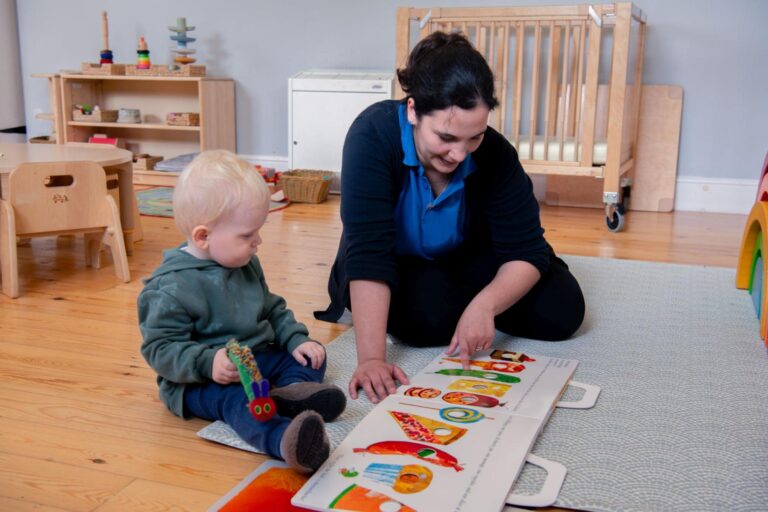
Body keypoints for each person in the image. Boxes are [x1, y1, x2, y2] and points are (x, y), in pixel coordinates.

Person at [315, 31, 585, 404]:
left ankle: (470, 302)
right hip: (397, 263)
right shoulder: (372, 137)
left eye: (473, 138)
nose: (459, 154)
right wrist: (372, 359)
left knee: (562, 310)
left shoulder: (494, 153)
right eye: (445, 137)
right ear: (413, 111)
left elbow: (527, 248)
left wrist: (485, 305)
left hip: (464, 257)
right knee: (427, 318)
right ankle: (454, 303)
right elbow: (369, 253)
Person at [138, 150, 346, 473]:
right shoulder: (170, 288)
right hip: (201, 380)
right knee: (239, 402)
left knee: (313, 353)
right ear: (204, 236)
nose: (258, 241)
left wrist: (295, 340)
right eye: (248, 235)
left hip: (256, 355)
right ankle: (284, 439)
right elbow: (160, 350)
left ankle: (289, 394)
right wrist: (209, 363)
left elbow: (271, 308)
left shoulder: (245, 261)